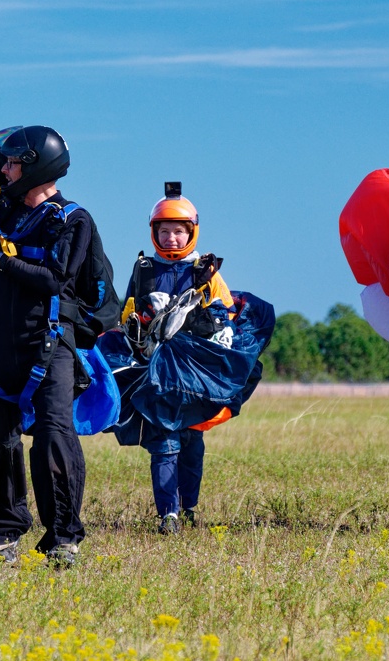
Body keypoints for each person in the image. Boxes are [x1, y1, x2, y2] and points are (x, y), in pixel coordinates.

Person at [0, 125, 94, 566]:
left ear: (37, 167)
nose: (5, 169)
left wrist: (4, 259)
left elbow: (55, 279)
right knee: (1, 441)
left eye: (13, 163)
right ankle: (4, 533)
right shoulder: (2, 210)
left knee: (53, 436)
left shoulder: (72, 218)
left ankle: (64, 538)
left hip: (47, 344)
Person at [121, 183, 233, 535]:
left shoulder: (206, 271)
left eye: (178, 231)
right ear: (154, 232)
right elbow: (126, 311)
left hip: (194, 373)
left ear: (191, 232)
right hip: (155, 369)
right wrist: (136, 323)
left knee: (191, 442)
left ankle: (189, 508)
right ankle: (167, 514)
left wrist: (213, 321)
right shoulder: (143, 270)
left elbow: (226, 311)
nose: (171, 238)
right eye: (165, 231)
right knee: (163, 441)